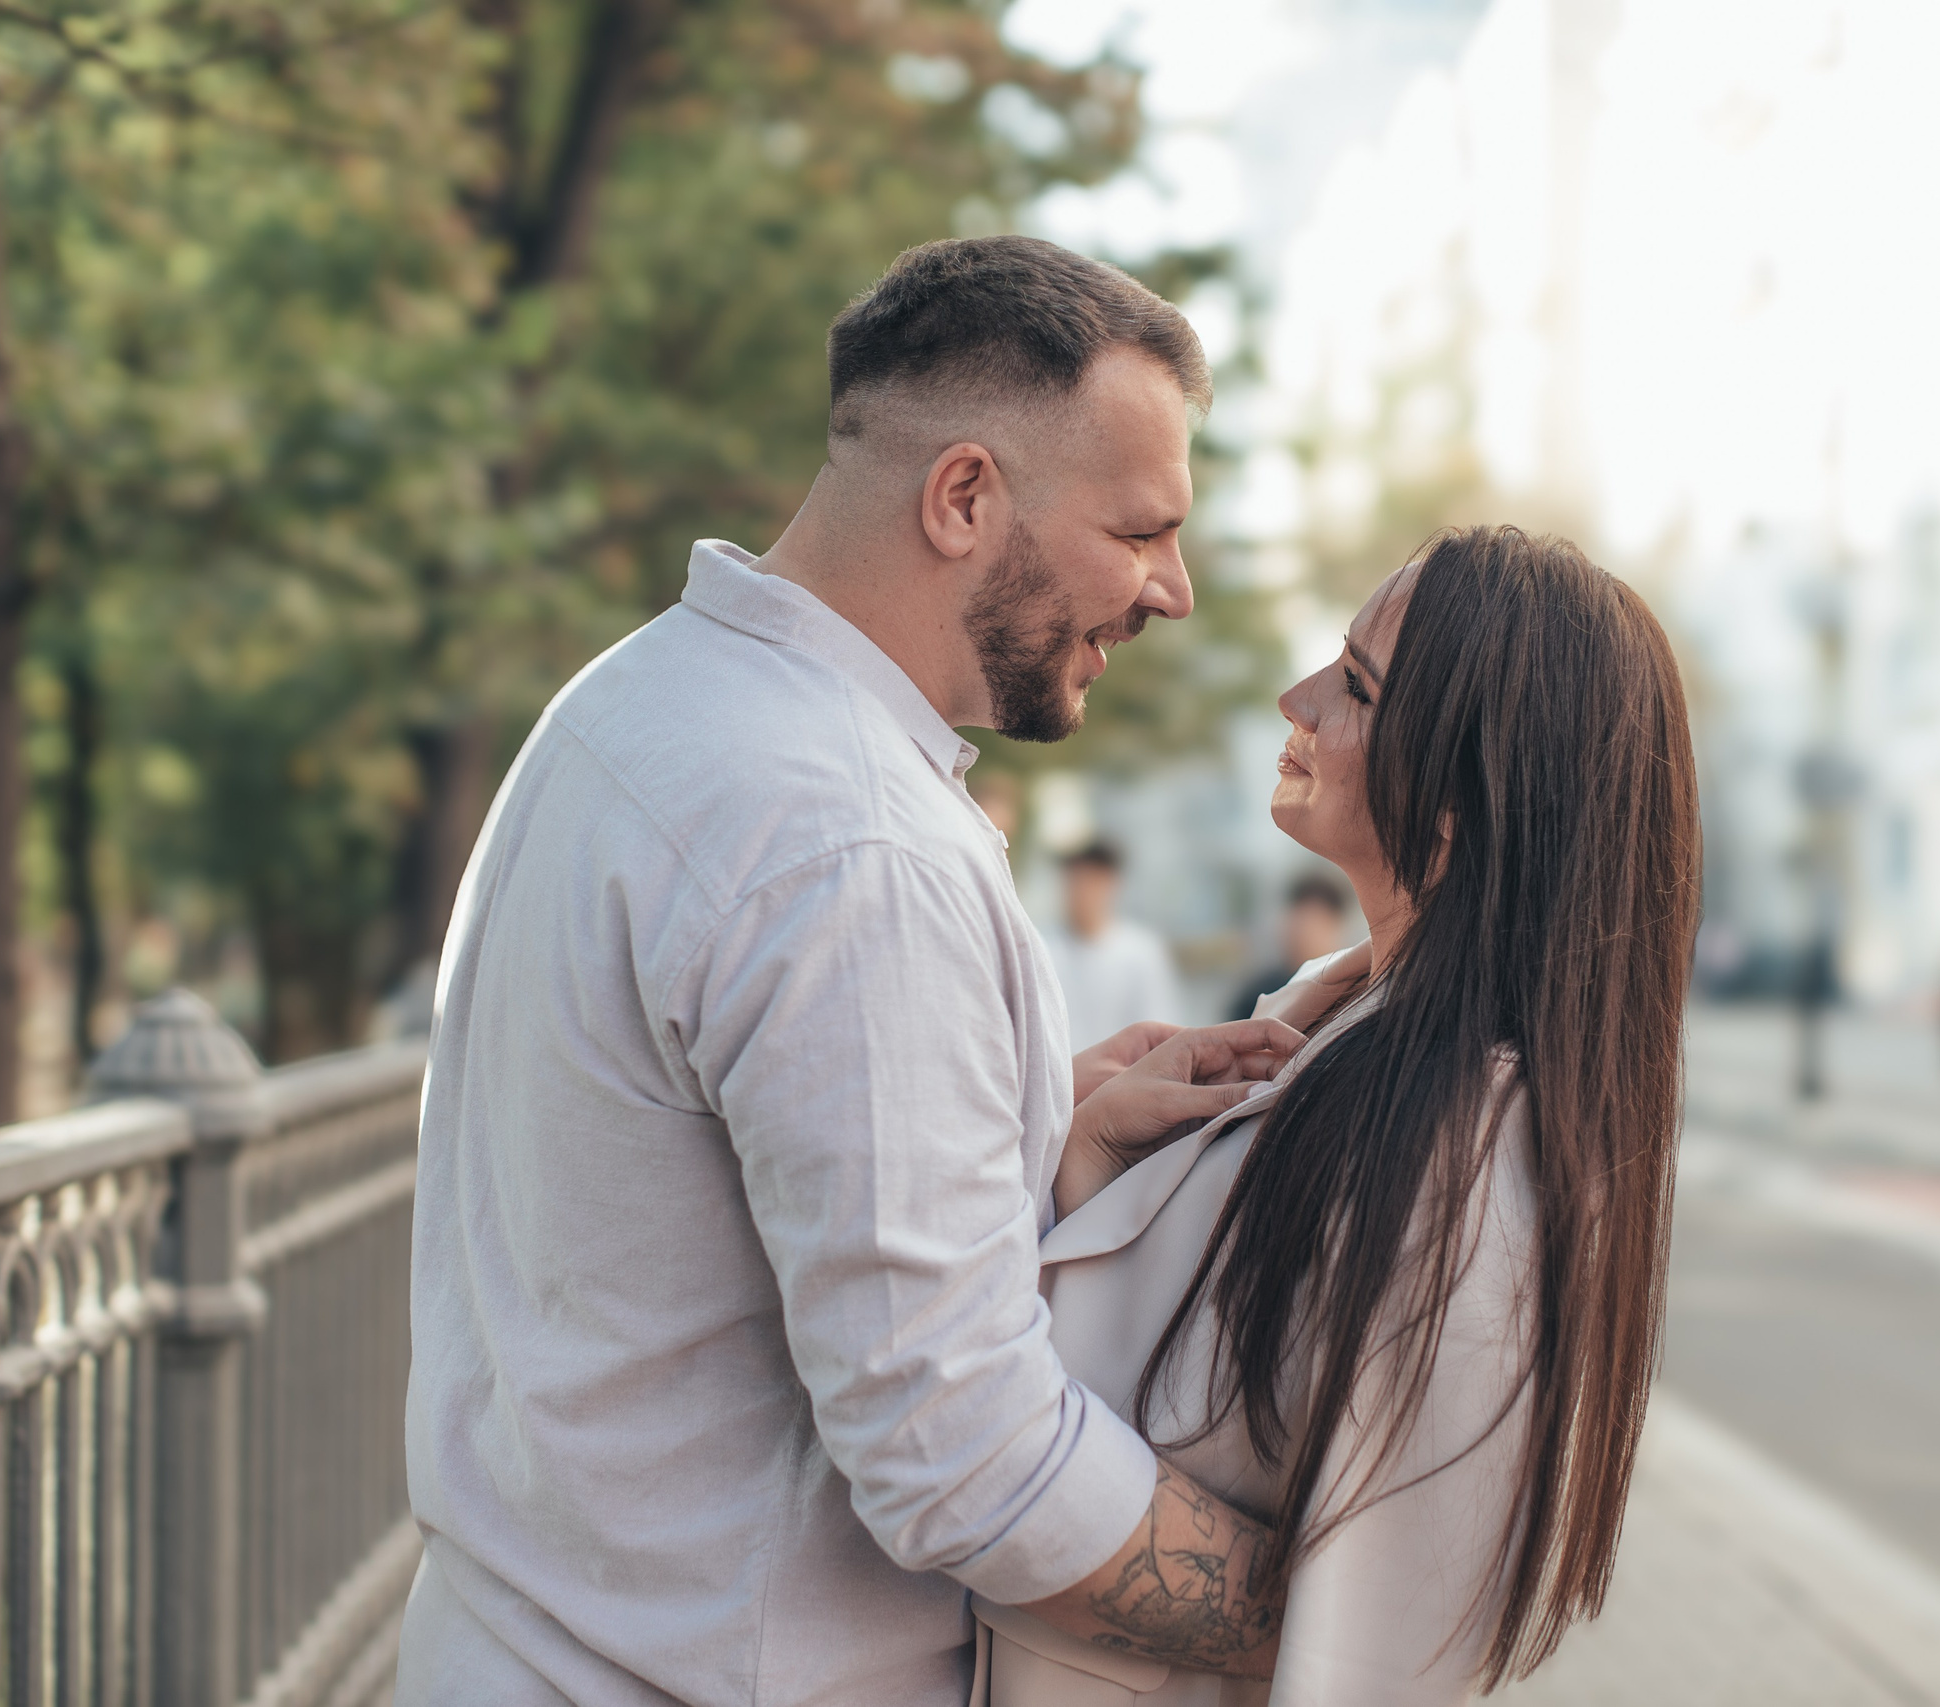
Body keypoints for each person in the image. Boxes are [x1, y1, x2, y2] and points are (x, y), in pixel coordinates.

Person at [400, 236, 1307, 1707]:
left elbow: (672, 1187)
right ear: (963, 497)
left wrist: (1036, 1133)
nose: (1174, 590)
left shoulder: (630, 703)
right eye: (1142, 529)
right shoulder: (846, 842)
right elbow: (962, 1453)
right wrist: (1310, 1614)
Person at [975, 525, 1701, 1704]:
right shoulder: (1330, 1030)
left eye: (1355, 686)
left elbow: (1376, 1647)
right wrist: (1084, 1158)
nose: (1296, 697)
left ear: (1463, 801)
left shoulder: (1470, 1160)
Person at [1046, 838, 1182, 1050]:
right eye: (1075, 880)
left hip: (1126, 1077)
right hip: (1062, 1078)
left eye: (1091, 881)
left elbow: (1159, 1028)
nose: (1081, 891)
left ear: (1112, 884)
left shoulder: (1141, 952)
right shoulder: (1045, 948)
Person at [1226, 873, 1351, 1021]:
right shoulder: (1260, 995)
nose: (1303, 936)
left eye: (1313, 926)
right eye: (1298, 925)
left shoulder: (1352, 992)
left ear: (1335, 926)